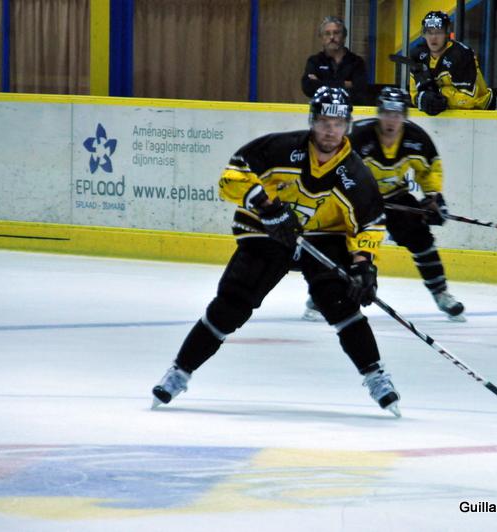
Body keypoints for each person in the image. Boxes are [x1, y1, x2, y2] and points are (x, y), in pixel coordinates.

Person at [151, 87, 401, 417]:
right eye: (324, 121)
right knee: (233, 303)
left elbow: (369, 225)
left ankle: (375, 375)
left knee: (342, 302)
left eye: (338, 123)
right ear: (313, 120)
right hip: (268, 230)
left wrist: (364, 265)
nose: (330, 130)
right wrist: (267, 207)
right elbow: (232, 176)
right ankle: (179, 372)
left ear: (348, 125)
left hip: (323, 238)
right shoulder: (280, 149)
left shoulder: (355, 174)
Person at [352, 87, 465, 321]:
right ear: (379, 113)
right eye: (387, 113)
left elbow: (429, 169)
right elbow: (340, 170)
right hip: (358, 199)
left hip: (395, 196)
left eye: (397, 114)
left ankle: (441, 293)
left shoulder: (416, 138)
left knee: (421, 238)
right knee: (353, 248)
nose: (392, 120)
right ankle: (327, 297)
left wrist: (433, 199)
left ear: (404, 115)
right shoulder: (358, 136)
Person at [407, 10, 497, 116]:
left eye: (438, 32)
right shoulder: (418, 54)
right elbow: (414, 93)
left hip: (485, 113)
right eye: (429, 32)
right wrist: (422, 99)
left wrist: (441, 95)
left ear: (447, 33)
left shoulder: (461, 54)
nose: (433, 37)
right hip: (445, 117)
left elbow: (467, 101)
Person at [302, 16, 368, 105]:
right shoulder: (314, 61)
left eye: (336, 33)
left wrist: (320, 83)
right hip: (321, 111)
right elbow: (308, 88)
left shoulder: (356, 62)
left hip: (350, 111)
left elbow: (360, 89)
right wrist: (344, 84)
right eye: (327, 33)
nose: (332, 37)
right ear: (322, 38)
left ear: (344, 37)